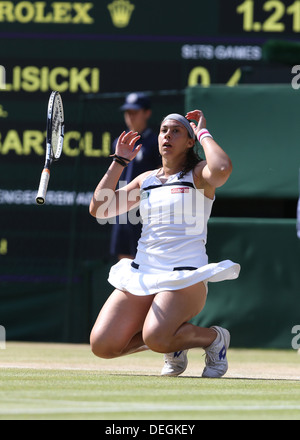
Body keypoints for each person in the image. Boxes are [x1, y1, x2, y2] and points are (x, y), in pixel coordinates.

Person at [89, 109, 241, 378]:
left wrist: (203, 131)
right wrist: (119, 161)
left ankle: (212, 338)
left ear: (189, 141)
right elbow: (100, 209)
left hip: (185, 276)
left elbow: (221, 168)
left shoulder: (198, 175)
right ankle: (175, 340)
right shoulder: (145, 180)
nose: (167, 135)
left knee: (157, 337)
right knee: (103, 345)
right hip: (142, 273)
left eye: (176, 131)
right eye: (163, 130)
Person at [110, 92, 161, 260]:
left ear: (147, 113)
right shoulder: (119, 141)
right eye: (127, 112)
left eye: (135, 112)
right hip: (122, 208)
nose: (130, 116)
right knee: (124, 259)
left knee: (145, 258)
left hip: (145, 210)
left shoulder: (156, 142)